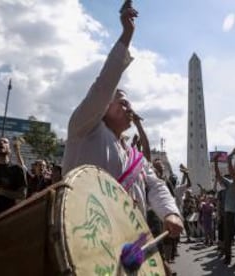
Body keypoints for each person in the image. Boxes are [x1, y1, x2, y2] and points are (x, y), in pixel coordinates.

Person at [61, 5, 182, 239]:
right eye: (123, 103)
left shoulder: (135, 156)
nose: (130, 108)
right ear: (104, 106)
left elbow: (155, 186)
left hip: (128, 241)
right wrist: (127, 35)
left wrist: (170, 213)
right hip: (84, 236)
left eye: (130, 104)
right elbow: (104, 85)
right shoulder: (84, 128)